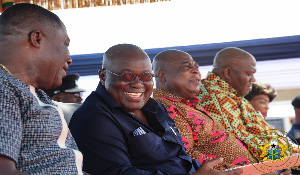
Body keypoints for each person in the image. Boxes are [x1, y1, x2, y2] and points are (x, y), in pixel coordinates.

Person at [69, 44, 243, 175]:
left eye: (145, 76)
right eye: (126, 76)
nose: (138, 84)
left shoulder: (154, 107)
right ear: (103, 76)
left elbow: (181, 157)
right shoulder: (94, 118)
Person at [0, 3, 83, 174]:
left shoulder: (37, 95)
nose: (69, 59)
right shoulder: (4, 88)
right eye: (66, 44)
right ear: (37, 39)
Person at [152, 49, 257, 170]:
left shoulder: (189, 104)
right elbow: (186, 154)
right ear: (162, 75)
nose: (196, 71)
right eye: (187, 67)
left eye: (196, 67)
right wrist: (234, 170)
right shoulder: (166, 107)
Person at [197, 47, 297, 158]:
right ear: (228, 72)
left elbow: (267, 134)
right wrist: (280, 157)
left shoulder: (234, 95)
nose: (253, 80)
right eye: (249, 74)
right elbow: (244, 144)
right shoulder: (212, 98)